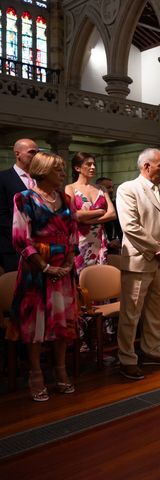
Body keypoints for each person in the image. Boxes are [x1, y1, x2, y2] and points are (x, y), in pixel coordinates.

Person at [10, 152, 77, 401]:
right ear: (44, 170)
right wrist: (44, 267)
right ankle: (36, 373)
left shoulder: (66, 199)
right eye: (58, 170)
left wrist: (69, 262)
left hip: (63, 268)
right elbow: (20, 237)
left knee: (62, 323)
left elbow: (73, 235)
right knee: (34, 324)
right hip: (35, 270)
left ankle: (61, 369)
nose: (62, 174)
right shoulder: (24, 198)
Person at [116, 148, 160, 380]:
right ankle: (126, 358)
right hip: (140, 260)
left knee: (155, 311)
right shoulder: (128, 189)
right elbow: (130, 226)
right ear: (146, 166)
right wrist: (157, 249)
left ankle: (151, 350)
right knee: (131, 314)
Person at [65, 152, 116, 274]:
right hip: (80, 240)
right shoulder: (70, 188)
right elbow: (74, 215)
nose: (93, 167)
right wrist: (99, 211)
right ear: (77, 168)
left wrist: (89, 220)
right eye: (88, 164)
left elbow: (112, 214)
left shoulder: (101, 188)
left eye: (94, 164)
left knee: (99, 278)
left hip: (99, 239)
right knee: (80, 278)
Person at [0, 138, 38, 272]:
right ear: (17, 154)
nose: (35, 156)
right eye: (31, 152)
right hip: (14, 246)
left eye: (37, 152)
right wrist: (22, 238)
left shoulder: (40, 179)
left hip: (40, 245)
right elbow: (2, 215)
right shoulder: (3, 178)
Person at [96, 176, 123, 255]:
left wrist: (118, 239)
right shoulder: (94, 207)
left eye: (112, 187)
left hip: (116, 248)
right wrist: (108, 241)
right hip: (98, 246)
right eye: (108, 187)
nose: (111, 190)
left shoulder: (117, 205)